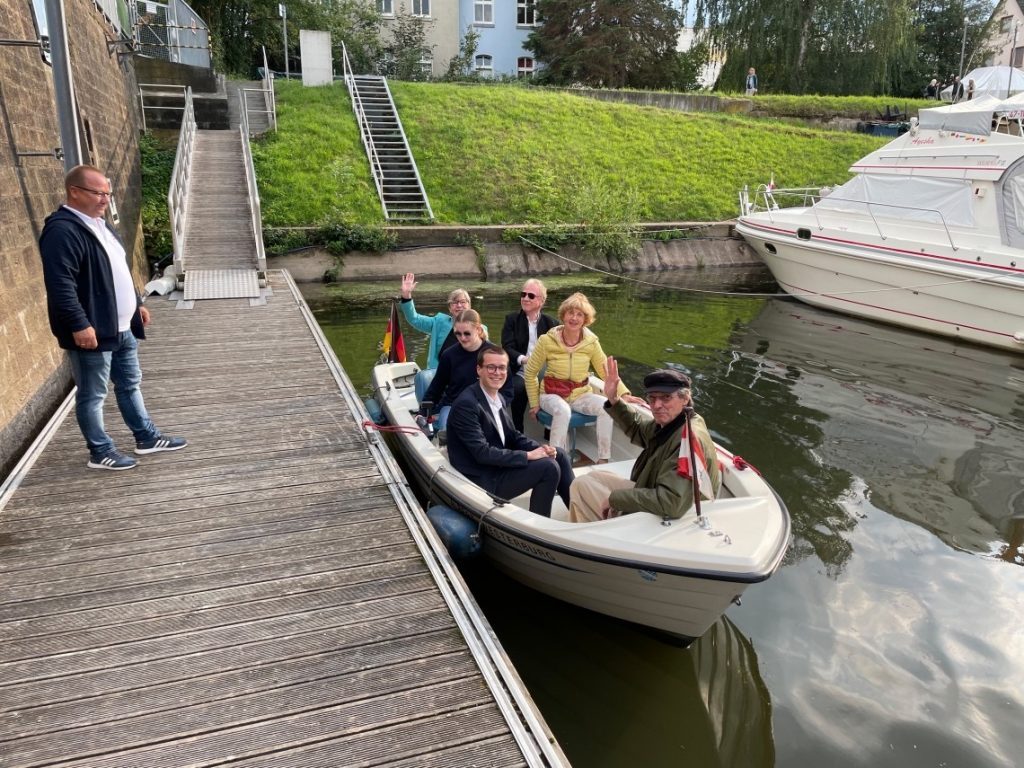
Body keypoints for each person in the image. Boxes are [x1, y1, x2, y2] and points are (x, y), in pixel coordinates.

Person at [39, 164, 187, 471]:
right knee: (93, 394)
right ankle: (100, 450)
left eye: (108, 193)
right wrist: (79, 323)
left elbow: (118, 269)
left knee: (130, 384)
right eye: (98, 193)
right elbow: (60, 284)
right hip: (93, 329)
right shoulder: (62, 230)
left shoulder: (100, 224)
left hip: (121, 327)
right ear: (75, 192)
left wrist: (135, 304)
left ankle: (146, 437)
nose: (105, 199)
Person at [568, 360, 721, 523]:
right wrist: (613, 398)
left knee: (580, 486)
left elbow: (672, 502)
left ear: (685, 399)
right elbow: (639, 429)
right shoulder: (677, 422)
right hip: (658, 497)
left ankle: (592, 539)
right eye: (652, 398)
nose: (657, 405)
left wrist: (615, 499)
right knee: (594, 477)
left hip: (673, 520)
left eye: (666, 398)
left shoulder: (686, 440)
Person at [447, 347, 574, 517]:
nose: (497, 373)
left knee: (558, 455)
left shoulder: (495, 396)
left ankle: (580, 513)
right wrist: (528, 456)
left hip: (497, 467)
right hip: (481, 479)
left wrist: (541, 449)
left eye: (502, 368)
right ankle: (539, 526)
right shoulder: (467, 405)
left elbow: (512, 436)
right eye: (491, 367)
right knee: (548, 467)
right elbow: (482, 453)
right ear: (479, 370)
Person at [524, 292, 641, 463]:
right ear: (563, 315)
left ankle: (603, 460)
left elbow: (606, 372)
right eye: (570, 312)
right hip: (551, 395)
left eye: (579, 314)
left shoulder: (591, 342)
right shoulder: (546, 340)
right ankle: (555, 462)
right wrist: (534, 403)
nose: (574, 318)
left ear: (585, 319)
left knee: (607, 407)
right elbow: (530, 372)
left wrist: (624, 394)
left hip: (580, 395)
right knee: (563, 410)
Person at [422, 309, 497, 431]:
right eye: (458, 334)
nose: (462, 338)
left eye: (467, 333)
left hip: (486, 406)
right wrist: (422, 412)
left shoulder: (495, 355)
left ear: (478, 329)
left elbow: (507, 390)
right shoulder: (449, 355)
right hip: (453, 406)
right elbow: (436, 387)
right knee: (447, 432)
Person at [501, 278, 557, 432]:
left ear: (542, 301)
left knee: (555, 388)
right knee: (517, 388)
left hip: (545, 372)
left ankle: (549, 435)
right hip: (521, 370)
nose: (525, 298)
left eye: (531, 296)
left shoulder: (552, 323)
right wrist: (524, 359)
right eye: (523, 294)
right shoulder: (511, 320)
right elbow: (507, 347)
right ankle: (518, 432)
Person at [398, 272, 473, 370]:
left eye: (463, 302)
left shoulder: (480, 329)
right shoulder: (439, 322)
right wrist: (406, 295)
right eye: (454, 302)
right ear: (450, 308)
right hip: (439, 375)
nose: (459, 305)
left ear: (469, 305)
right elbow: (414, 319)